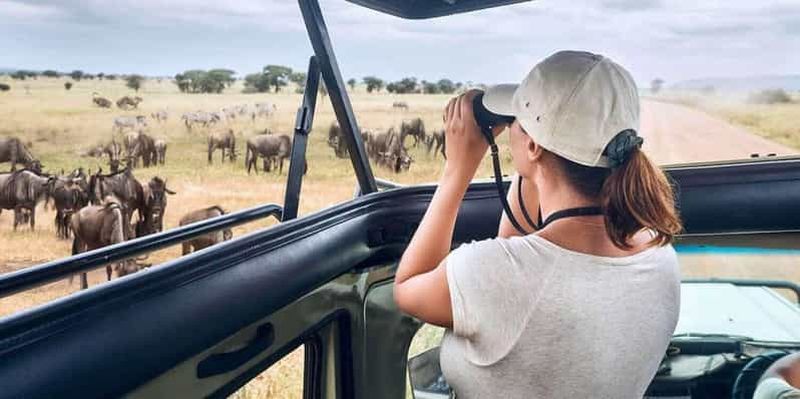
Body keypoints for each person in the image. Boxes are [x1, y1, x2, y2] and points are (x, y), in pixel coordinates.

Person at [393, 50, 683, 398]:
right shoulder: (658, 253)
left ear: (532, 145)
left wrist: (458, 169)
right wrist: (533, 167)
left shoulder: (499, 275)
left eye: (518, 122)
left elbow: (408, 288)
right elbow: (520, 258)